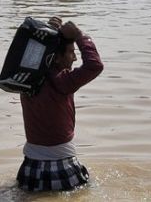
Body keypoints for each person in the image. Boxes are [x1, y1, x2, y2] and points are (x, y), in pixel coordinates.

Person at [18, 19, 103, 192]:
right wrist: (80, 36)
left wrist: (48, 33)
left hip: (31, 167)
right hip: (62, 165)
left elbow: (32, 53)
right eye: (71, 52)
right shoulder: (63, 81)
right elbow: (94, 65)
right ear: (56, 58)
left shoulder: (26, 79)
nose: (75, 57)